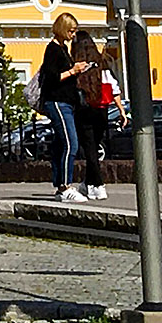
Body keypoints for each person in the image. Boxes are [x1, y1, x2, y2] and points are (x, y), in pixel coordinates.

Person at [40, 13, 109, 204]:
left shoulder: (63, 49)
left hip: (68, 102)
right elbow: (52, 78)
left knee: (61, 144)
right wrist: (73, 70)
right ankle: (64, 187)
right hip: (57, 101)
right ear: (62, 29)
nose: (73, 34)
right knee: (71, 143)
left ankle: (60, 183)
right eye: (70, 30)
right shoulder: (53, 49)